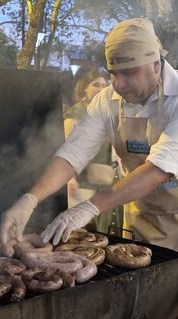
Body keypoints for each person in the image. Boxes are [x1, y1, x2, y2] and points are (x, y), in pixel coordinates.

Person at [0, 18, 178, 319]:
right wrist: (31, 197)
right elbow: (73, 153)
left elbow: (160, 168)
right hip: (149, 220)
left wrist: (90, 206)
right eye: (113, 73)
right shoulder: (107, 101)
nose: (118, 83)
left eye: (128, 73)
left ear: (156, 64)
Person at [63, 69, 122, 232]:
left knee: (105, 227)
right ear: (84, 88)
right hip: (84, 181)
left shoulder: (106, 112)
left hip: (106, 178)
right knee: (84, 228)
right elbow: (67, 147)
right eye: (96, 84)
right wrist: (70, 179)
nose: (101, 89)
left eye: (105, 85)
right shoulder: (76, 112)